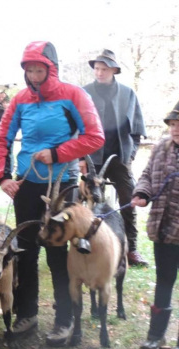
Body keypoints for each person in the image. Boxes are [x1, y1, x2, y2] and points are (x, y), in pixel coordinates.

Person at [0, 41, 104, 346]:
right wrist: (2, 177)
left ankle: (65, 319)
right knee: (26, 252)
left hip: (62, 184)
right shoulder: (19, 100)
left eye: (39, 68)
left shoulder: (73, 95)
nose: (34, 74)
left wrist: (57, 153)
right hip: (27, 184)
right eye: (29, 69)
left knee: (58, 254)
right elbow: (2, 137)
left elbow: (95, 136)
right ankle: (26, 314)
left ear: (51, 68)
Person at [82, 49, 148, 267]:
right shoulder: (84, 93)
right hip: (92, 158)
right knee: (83, 199)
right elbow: (76, 128)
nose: (99, 72)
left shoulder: (128, 94)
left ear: (113, 70)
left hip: (119, 157)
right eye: (97, 68)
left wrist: (130, 156)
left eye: (103, 69)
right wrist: (81, 158)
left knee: (130, 197)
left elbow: (137, 130)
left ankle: (132, 249)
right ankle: (84, 242)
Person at [132, 103, 179, 349]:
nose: (175, 129)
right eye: (172, 124)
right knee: (163, 283)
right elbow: (148, 175)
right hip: (164, 229)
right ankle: (154, 337)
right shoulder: (161, 147)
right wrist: (142, 193)